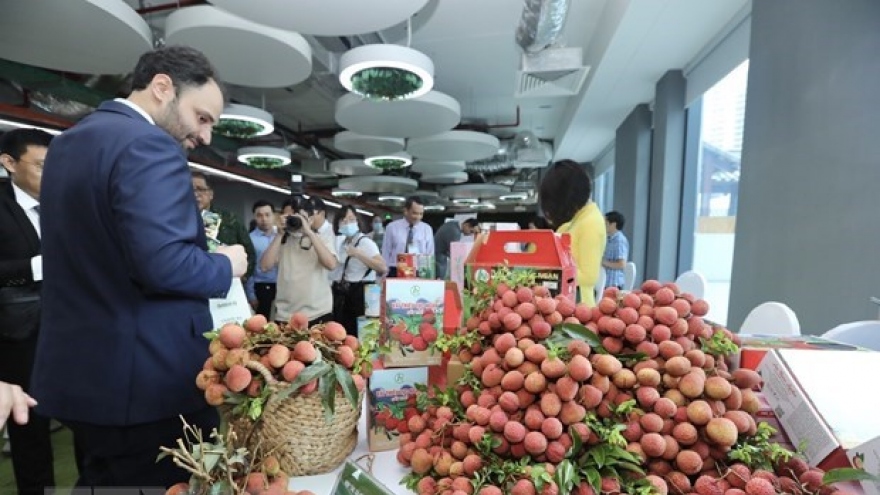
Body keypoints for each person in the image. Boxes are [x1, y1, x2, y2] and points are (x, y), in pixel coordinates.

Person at [31, 45, 248, 489]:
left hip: (83, 376)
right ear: (162, 87)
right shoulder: (150, 145)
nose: (206, 136)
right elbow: (165, 265)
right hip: (146, 383)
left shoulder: (70, 142)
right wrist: (224, 264)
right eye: (202, 117)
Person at [0, 128, 57, 495]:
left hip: (73, 332)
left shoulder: (66, 203)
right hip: (19, 338)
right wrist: (38, 267)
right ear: (8, 163)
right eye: (40, 166)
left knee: (84, 422)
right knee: (31, 433)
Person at [262, 196, 338, 327]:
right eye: (288, 216)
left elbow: (331, 264)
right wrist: (279, 234)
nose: (293, 220)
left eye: (298, 216)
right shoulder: (281, 239)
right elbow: (264, 266)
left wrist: (309, 232)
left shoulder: (321, 237)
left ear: (309, 217)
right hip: (285, 314)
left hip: (318, 313)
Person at [539, 160, 606, 307]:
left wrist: (542, 274)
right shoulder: (576, 222)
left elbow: (589, 276)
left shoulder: (591, 223)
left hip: (577, 307)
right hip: (564, 303)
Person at [331, 205, 387, 336]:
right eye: (343, 221)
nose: (347, 223)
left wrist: (358, 254)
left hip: (362, 291)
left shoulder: (365, 242)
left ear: (357, 221)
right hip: (347, 291)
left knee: (360, 333)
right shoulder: (343, 243)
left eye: (351, 219)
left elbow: (382, 267)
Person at [192, 171, 256, 278]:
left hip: (227, 280)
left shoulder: (229, 219)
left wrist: (241, 278)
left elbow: (249, 254)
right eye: (191, 190)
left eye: (201, 189)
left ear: (211, 194)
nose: (195, 194)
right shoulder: (179, 220)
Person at [381, 196, 434, 277]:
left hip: (418, 271)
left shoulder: (427, 229)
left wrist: (429, 276)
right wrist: (384, 275)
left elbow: (430, 254)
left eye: (421, 214)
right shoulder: (392, 227)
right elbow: (386, 252)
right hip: (395, 270)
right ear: (405, 211)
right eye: (415, 213)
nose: (418, 217)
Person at [245, 199, 279, 319]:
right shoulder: (250, 240)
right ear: (254, 217)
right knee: (263, 327)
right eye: (259, 215)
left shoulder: (282, 236)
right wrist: (251, 295)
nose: (264, 219)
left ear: (274, 216)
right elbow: (249, 269)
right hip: (261, 288)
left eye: (267, 215)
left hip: (282, 287)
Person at [602, 211, 629, 289]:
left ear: (613, 225)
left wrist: (603, 262)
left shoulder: (619, 241)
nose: (603, 225)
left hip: (613, 284)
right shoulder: (608, 238)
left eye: (606, 223)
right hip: (605, 283)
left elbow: (621, 264)